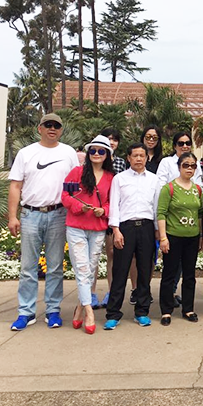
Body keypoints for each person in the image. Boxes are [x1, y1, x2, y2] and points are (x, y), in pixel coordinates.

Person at [8, 113, 79, 331]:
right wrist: (13, 216)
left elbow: (75, 185)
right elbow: (15, 186)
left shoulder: (68, 153)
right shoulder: (26, 153)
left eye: (56, 125)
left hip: (58, 214)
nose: (52, 128)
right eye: (47, 125)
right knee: (28, 267)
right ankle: (26, 312)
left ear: (61, 129)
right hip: (31, 214)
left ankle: (53, 310)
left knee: (55, 266)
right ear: (39, 128)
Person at [104, 143, 161, 330]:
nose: (138, 159)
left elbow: (155, 208)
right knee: (120, 271)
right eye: (135, 155)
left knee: (145, 271)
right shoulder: (119, 179)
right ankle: (113, 314)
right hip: (125, 228)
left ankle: (142, 312)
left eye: (142, 155)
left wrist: (157, 231)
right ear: (128, 158)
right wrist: (116, 230)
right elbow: (114, 206)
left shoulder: (154, 180)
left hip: (146, 227)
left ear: (146, 158)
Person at [61, 135, 115, 334]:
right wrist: (79, 207)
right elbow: (65, 196)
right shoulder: (76, 173)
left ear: (107, 154)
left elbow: (113, 202)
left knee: (90, 270)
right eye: (93, 150)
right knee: (82, 269)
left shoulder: (111, 177)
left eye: (101, 151)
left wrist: (105, 210)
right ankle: (89, 312)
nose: (97, 154)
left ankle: (79, 309)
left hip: (98, 228)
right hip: (76, 225)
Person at [156, 152, 203, 326]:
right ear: (179, 167)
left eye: (193, 166)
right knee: (169, 274)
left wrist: (201, 235)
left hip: (192, 237)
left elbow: (200, 213)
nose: (189, 168)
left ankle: (188, 308)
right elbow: (161, 213)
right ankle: (166, 310)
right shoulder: (169, 188)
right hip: (173, 236)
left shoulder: (197, 189)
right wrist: (163, 237)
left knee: (190, 275)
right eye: (186, 165)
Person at [96, 127, 131, 309]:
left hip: (112, 212)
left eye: (115, 139)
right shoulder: (95, 157)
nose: (111, 142)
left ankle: (111, 291)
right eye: (108, 138)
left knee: (111, 253)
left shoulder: (120, 163)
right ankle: (91, 292)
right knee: (92, 256)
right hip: (94, 212)